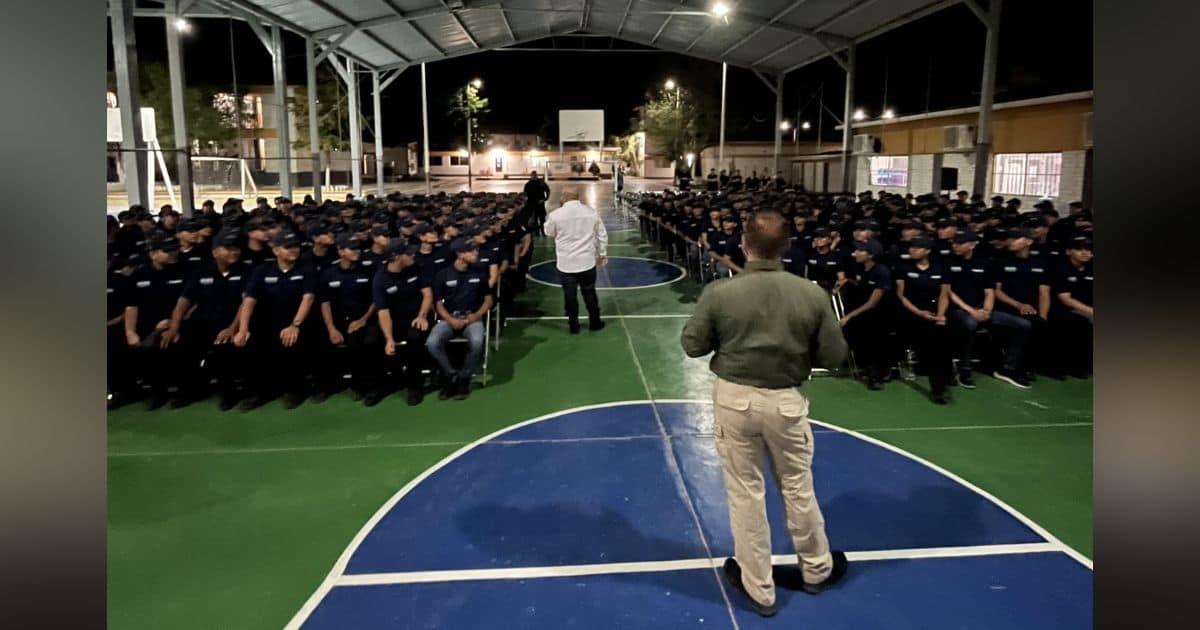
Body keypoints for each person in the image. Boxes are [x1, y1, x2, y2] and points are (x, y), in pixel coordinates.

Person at [680, 208, 849, 618]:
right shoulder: (811, 293)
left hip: (735, 399)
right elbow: (836, 355)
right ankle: (816, 568)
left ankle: (759, 588)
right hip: (786, 401)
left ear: (744, 244)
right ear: (787, 247)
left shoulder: (722, 292)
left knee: (745, 493)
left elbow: (693, 346)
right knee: (797, 486)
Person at [162, 228, 248, 410]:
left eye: (236, 248)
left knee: (224, 348)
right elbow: (183, 302)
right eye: (228, 248)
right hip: (202, 323)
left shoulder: (246, 271)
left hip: (231, 323)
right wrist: (174, 328)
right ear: (215, 252)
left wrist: (233, 328)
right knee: (179, 344)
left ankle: (229, 393)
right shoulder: (201, 272)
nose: (234, 252)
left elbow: (245, 303)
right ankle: (191, 390)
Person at [234, 230, 318, 409]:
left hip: (298, 322)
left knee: (292, 343)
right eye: (288, 247)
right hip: (267, 322)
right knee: (251, 344)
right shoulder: (262, 271)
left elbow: (308, 297)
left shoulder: (307, 268)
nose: (293, 250)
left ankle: (296, 390)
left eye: (295, 246)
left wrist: (295, 325)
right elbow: (249, 300)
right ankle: (261, 392)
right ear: (276, 251)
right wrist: (243, 328)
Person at [944, 230, 1032, 389]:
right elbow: (948, 292)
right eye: (954, 243)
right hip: (957, 310)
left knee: (1023, 325)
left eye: (960, 243)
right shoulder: (948, 262)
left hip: (983, 310)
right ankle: (964, 370)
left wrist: (987, 310)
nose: (955, 246)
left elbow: (989, 291)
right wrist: (971, 310)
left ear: (972, 245)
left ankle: (1008, 368)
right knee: (970, 324)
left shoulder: (984, 263)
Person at [122, 232, 187, 409]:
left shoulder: (183, 270)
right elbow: (131, 306)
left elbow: (189, 302)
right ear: (153, 254)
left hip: (178, 323)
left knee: (177, 345)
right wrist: (130, 332)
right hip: (148, 326)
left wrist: (173, 324)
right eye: (167, 251)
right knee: (142, 349)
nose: (173, 253)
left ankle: (184, 391)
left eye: (174, 249)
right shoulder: (139, 274)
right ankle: (157, 393)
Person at [426, 237, 493, 400]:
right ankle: (450, 375)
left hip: (473, 317)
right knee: (432, 342)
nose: (476, 253)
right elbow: (437, 303)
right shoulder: (443, 275)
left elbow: (488, 300)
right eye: (471, 251)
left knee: (477, 342)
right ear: (460, 254)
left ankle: (464, 377)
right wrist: (449, 319)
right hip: (449, 318)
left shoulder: (479, 273)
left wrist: (476, 315)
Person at [315, 233, 377, 402]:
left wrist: (362, 320)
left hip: (365, 319)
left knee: (365, 342)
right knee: (319, 342)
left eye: (358, 248)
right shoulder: (328, 274)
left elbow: (375, 300)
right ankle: (328, 386)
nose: (357, 251)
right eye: (352, 248)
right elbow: (325, 303)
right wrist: (331, 328)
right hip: (338, 321)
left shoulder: (368, 271)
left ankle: (367, 387)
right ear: (341, 251)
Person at [373, 239, 435, 407]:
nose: (412, 255)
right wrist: (389, 338)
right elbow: (383, 311)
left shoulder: (417, 268)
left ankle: (415, 386)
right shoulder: (380, 279)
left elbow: (427, 295)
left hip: (417, 317)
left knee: (414, 338)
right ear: (396, 257)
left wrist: (422, 315)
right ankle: (386, 382)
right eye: (408, 253)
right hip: (394, 319)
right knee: (372, 340)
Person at [895, 235, 954, 404]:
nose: (912, 250)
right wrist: (919, 313)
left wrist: (941, 314)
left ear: (927, 251)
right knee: (929, 343)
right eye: (911, 247)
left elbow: (944, 294)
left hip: (934, 313)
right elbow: (901, 295)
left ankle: (944, 380)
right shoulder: (903, 268)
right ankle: (938, 388)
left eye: (917, 247)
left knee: (944, 339)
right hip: (909, 313)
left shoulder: (940, 268)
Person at [543, 187, 608, 334]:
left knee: (569, 295)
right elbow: (601, 235)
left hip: (566, 264)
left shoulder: (556, 215)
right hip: (587, 261)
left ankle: (574, 325)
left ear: (564, 197)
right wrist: (602, 253)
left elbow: (548, 232)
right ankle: (595, 322)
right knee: (590, 292)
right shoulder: (591, 213)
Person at [839, 239, 892, 390]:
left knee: (873, 342)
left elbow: (872, 303)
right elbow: (861, 283)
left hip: (879, 315)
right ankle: (866, 368)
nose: (854, 253)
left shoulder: (882, 272)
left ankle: (876, 376)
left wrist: (849, 316)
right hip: (864, 314)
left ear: (870, 255)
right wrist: (847, 281)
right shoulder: (860, 268)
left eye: (859, 251)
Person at [1051, 236, 1093, 378]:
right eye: (1079, 249)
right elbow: (1065, 299)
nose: (1085, 253)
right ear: (1069, 251)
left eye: (1088, 250)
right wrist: (1091, 311)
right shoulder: (1061, 268)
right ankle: (1073, 366)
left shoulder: (1092, 268)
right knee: (1083, 323)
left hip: (1087, 309)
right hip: (1063, 309)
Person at [523, 171, 550, 236]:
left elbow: (548, 191)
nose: (534, 176)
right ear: (531, 176)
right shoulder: (528, 184)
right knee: (534, 220)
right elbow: (525, 194)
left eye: (535, 175)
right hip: (532, 204)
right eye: (533, 175)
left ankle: (543, 232)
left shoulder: (541, 183)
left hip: (540, 204)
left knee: (542, 219)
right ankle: (536, 232)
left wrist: (545, 199)